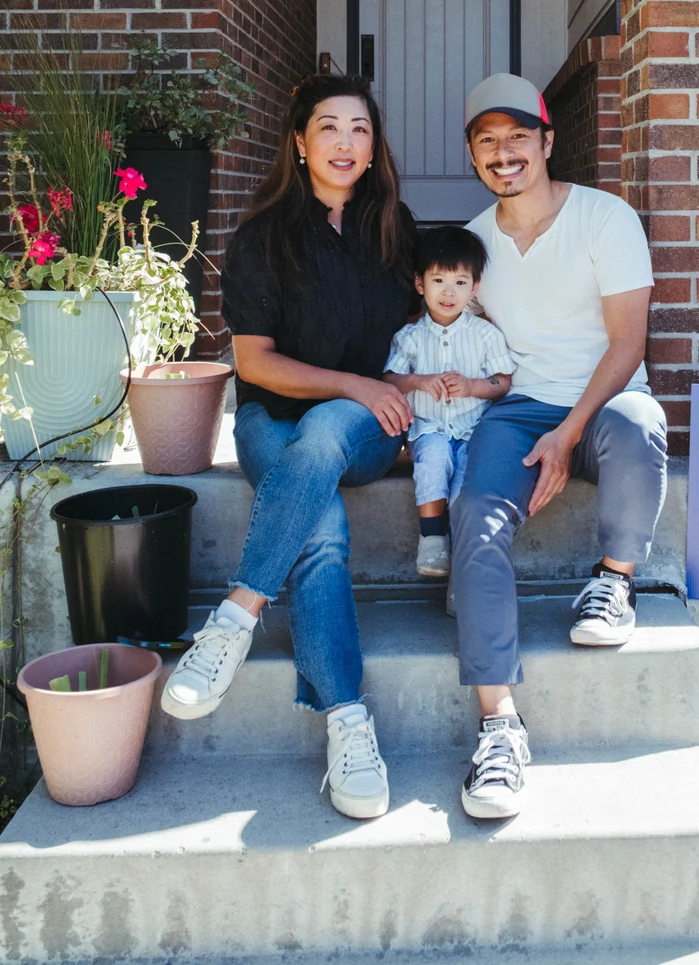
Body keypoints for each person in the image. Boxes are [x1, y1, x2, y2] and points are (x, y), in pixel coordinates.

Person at [159, 73, 418, 822]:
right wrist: (353, 382)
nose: (345, 142)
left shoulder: (398, 234)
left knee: (332, 428)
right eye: (329, 127)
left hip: (367, 431)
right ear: (299, 143)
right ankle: (347, 721)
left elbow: (454, 300)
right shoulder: (262, 237)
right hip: (270, 420)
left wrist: (418, 384)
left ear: (374, 150)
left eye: (360, 129)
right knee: (322, 528)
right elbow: (256, 364)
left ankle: (235, 615)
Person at [452, 72, 668, 820]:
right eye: (487, 142)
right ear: (474, 157)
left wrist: (568, 432)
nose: (504, 153)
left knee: (641, 426)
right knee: (476, 520)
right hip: (516, 409)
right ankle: (499, 727)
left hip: (605, 397)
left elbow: (627, 342)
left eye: (518, 137)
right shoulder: (474, 243)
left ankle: (614, 577)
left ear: (547, 140)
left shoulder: (605, 218)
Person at [384, 227, 514, 578]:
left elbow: (503, 381)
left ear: (474, 288)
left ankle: (463, 567)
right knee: (434, 461)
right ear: (420, 284)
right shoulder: (409, 337)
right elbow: (390, 379)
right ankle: (432, 540)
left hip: (474, 429)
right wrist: (419, 381)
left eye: (460, 282)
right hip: (428, 427)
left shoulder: (485, 335)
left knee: (465, 486)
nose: (448, 291)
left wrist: (473, 386)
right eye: (438, 279)